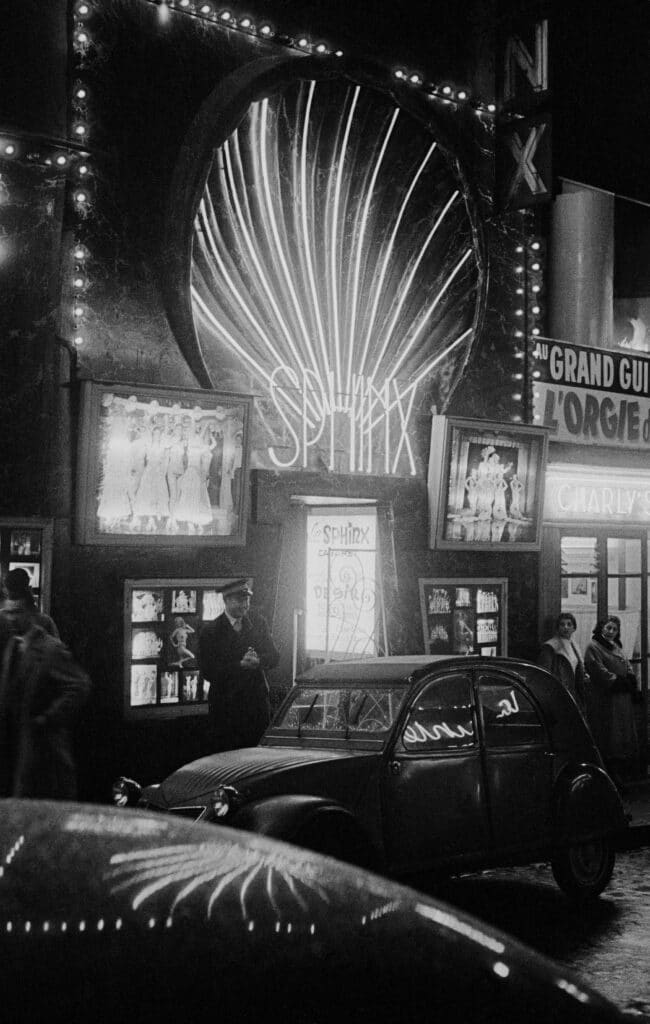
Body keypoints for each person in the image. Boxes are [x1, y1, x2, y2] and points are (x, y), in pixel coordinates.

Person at [0, 568, 91, 798]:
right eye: (7, 613)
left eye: (15, 613)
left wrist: (46, 719)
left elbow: (78, 684)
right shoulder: (12, 645)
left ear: (28, 612)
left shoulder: (48, 644)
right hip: (15, 744)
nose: (10, 618)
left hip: (41, 753)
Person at [198, 579, 279, 751]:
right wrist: (239, 665)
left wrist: (259, 662)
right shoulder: (211, 631)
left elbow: (274, 656)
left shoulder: (258, 623)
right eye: (240, 600)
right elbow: (208, 671)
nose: (245, 605)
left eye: (247, 600)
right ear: (226, 601)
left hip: (256, 706)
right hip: (226, 709)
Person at [584, 615, 639, 788]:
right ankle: (611, 777)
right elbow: (598, 670)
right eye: (608, 628)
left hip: (621, 699)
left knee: (622, 735)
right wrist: (618, 681)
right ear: (601, 628)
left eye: (615, 629)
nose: (611, 632)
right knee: (609, 736)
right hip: (606, 698)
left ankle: (621, 774)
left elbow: (626, 663)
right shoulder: (593, 647)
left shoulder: (616, 645)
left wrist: (630, 677)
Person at [537, 612, 587, 713]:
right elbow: (544, 672)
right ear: (557, 627)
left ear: (574, 628)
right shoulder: (550, 646)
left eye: (569, 624)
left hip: (573, 691)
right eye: (562, 624)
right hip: (559, 691)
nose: (566, 627)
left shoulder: (574, 645)